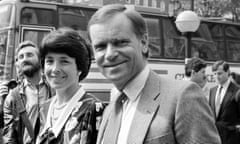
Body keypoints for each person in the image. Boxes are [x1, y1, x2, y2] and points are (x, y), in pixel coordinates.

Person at [88, 4, 221, 144]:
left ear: (144, 43)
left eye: (120, 42)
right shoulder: (110, 109)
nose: (109, 54)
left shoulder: (183, 97)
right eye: (100, 47)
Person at [36, 27, 105, 144]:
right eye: (49, 61)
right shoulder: (44, 108)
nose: (55, 69)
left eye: (64, 61)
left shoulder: (94, 110)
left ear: (79, 68)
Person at [3, 40, 53, 144]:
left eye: (29, 55)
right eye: (21, 57)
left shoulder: (55, 87)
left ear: (40, 60)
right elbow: (9, 137)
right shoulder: (12, 97)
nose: (25, 59)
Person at [209, 60, 240, 144]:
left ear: (228, 72)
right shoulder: (212, 91)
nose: (216, 77)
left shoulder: (237, 91)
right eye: (214, 74)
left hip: (232, 138)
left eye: (219, 73)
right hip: (214, 138)